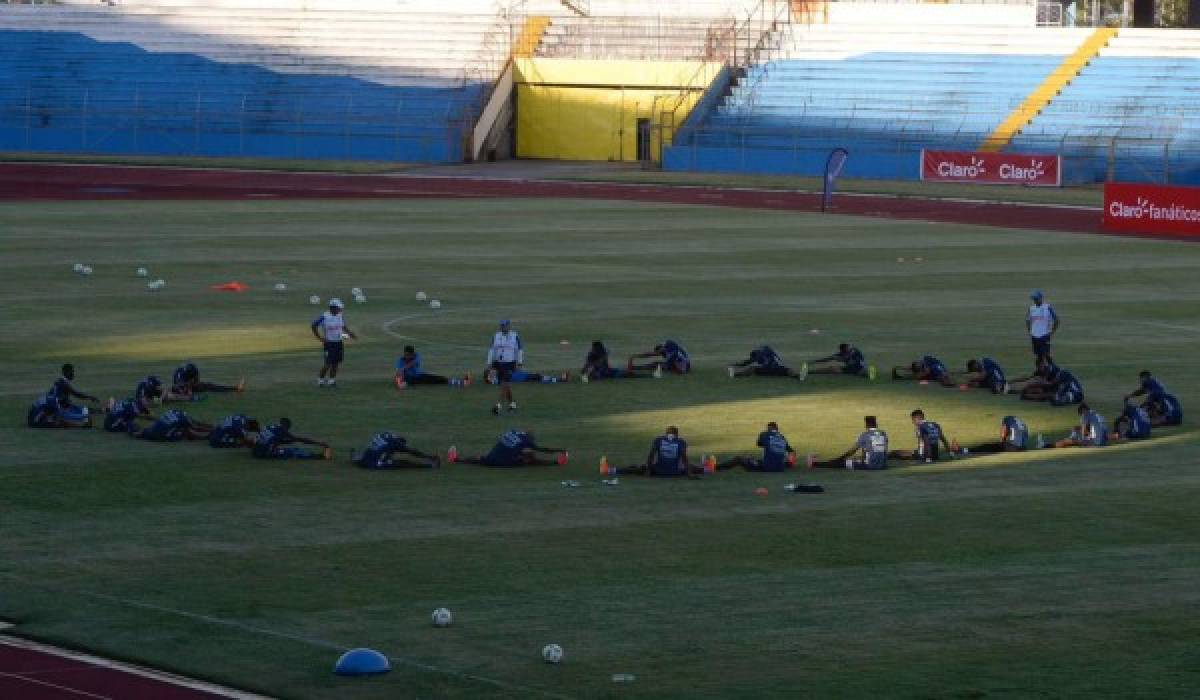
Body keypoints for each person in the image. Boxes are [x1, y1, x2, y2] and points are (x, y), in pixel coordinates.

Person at [613, 426, 702, 477]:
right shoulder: (681, 442)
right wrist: (689, 474)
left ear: (666, 433)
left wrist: (648, 470)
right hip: (675, 472)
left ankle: (611, 470)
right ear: (677, 434)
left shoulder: (659, 440)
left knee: (638, 469)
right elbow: (684, 459)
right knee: (692, 467)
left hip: (659, 471)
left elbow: (651, 455)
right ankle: (710, 468)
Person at [448, 429, 566, 467]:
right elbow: (543, 450)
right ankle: (556, 462)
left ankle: (456, 459)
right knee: (530, 458)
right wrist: (560, 450)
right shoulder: (526, 442)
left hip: (491, 458)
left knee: (478, 458)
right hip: (504, 463)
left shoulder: (512, 431)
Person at [807, 416, 889, 470]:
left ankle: (814, 464)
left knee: (842, 463)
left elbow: (852, 451)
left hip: (870, 466)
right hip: (882, 465)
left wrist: (840, 458)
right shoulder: (883, 434)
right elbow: (882, 449)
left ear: (866, 425)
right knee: (856, 458)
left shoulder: (864, 435)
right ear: (876, 424)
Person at [715, 422, 796, 471]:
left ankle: (715, 468)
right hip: (780, 468)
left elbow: (759, 444)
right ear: (777, 429)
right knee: (762, 459)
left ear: (768, 428)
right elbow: (792, 452)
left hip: (767, 467)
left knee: (739, 459)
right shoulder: (782, 438)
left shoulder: (764, 434)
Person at [312, 298, 356, 388]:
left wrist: (350, 334)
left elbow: (343, 326)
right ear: (332, 308)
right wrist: (320, 338)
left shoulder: (340, 315)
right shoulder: (324, 317)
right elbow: (313, 325)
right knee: (327, 364)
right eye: (338, 308)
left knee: (336, 363)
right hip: (329, 344)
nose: (340, 309)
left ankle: (332, 381)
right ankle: (320, 379)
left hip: (339, 342)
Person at [889, 409, 955, 463]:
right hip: (935, 454)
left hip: (925, 454)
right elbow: (943, 439)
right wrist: (950, 452)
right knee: (908, 452)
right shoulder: (935, 425)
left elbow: (926, 442)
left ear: (917, 418)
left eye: (913, 420)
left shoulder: (920, 427)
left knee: (895, 453)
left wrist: (927, 458)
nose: (913, 422)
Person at [486, 319, 523, 415]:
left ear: (509, 326)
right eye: (501, 325)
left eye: (505, 325)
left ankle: (498, 406)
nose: (503, 327)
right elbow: (491, 349)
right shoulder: (496, 336)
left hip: (510, 364)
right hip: (497, 363)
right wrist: (489, 363)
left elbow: (519, 350)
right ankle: (512, 404)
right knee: (506, 386)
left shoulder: (515, 336)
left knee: (504, 385)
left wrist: (519, 362)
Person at [252, 418, 332, 460]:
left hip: (255, 451)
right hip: (264, 454)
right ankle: (321, 457)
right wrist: (319, 443)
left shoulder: (270, 426)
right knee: (294, 451)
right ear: (287, 426)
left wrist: (289, 441)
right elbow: (299, 439)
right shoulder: (282, 429)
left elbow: (274, 440)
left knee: (284, 448)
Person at [351, 432, 441, 469]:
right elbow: (412, 451)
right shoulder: (396, 443)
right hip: (374, 463)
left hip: (365, 458)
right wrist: (429, 457)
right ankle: (430, 466)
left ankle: (356, 457)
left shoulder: (385, 435)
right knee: (403, 463)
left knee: (371, 454)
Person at [394, 345, 470, 388]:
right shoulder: (401, 360)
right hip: (410, 377)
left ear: (412, 354)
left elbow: (412, 363)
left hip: (419, 375)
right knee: (408, 379)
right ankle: (401, 384)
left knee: (440, 379)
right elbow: (398, 371)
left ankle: (462, 382)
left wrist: (403, 369)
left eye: (408, 354)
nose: (406, 356)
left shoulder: (417, 356)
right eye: (405, 354)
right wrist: (400, 374)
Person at [165, 362, 244, 401]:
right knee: (188, 396)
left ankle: (235, 388)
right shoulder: (181, 380)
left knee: (208, 386)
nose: (196, 378)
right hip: (179, 389)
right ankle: (235, 388)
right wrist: (189, 391)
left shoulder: (185, 372)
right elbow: (180, 387)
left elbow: (195, 382)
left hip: (185, 386)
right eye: (194, 377)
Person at [960, 415, 1038, 453]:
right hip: (1022, 448)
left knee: (988, 447)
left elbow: (1003, 433)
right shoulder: (1022, 424)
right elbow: (1026, 436)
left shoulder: (1007, 419)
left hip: (1010, 447)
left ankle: (965, 450)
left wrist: (1002, 441)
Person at [727, 345, 805, 380]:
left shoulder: (758, 355)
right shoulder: (768, 350)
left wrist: (735, 365)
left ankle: (735, 374)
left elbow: (746, 363)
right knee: (788, 370)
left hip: (768, 369)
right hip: (778, 368)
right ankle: (798, 376)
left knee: (752, 369)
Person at [134, 409, 213, 442]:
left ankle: (137, 433)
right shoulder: (184, 419)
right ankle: (205, 437)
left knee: (150, 429)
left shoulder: (172, 412)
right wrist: (211, 430)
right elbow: (196, 427)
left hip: (151, 432)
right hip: (162, 436)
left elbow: (196, 423)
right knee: (185, 431)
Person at [806, 343, 875, 379]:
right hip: (848, 369)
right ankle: (809, 372)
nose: (850, 348)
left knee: (865, 373)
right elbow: (827, 359)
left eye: (849, 347)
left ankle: (869, 372)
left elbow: (850, 358)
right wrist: (813, 362)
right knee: (831, 369)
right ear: (844, 350)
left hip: (859, 368)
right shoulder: (842, 354)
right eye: (848, 348)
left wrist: (840, 359)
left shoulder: (855, 351)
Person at [1026, 290, 1060, 362]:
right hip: (1034, 336)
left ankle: (1050, 369)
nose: (1035, 300)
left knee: (1046, 355)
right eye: (1034, 298)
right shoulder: (1031, 308)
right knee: (1038, 355)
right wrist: (1030, 331)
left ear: (1041, 298)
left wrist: (1052, 331)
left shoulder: (1047, 307)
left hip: (1044, 335)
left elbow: (1056, 320)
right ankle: (1041, 371)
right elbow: (1028, 320)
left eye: (1036, 298)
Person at [27, 394, 92, 428]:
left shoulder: (54, 398)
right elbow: (68, 416)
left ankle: (83, 426)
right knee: (60, 422)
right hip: (34, 422)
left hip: (33, 416)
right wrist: (85, 416)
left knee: (57, 418)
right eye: (66, 408)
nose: (66, 409)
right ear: (62, 405)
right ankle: (82, 426)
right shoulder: (55, 406)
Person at [487, 367, 569, 384]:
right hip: (523, 377)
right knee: (539, 377)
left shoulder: (500, 376)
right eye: (491, 371)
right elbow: (496, 381)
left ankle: (560, 379)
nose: (494, 370)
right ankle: (560, 379)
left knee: (539, 377)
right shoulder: (500, 378)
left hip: (522, 376)